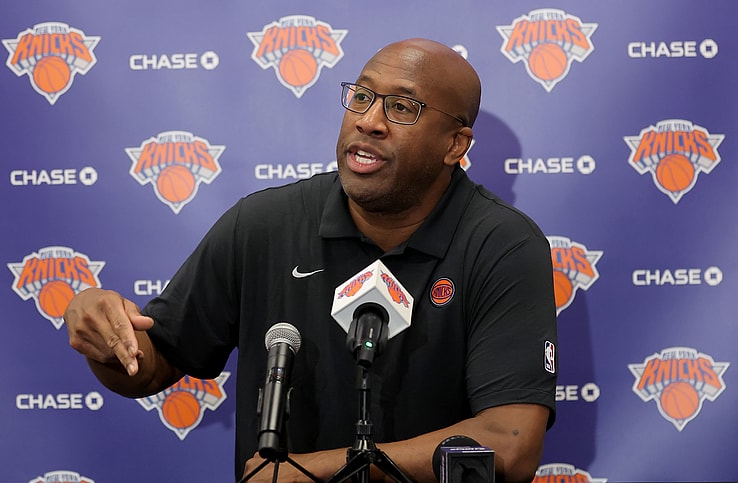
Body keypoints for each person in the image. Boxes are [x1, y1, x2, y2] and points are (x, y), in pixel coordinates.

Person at [64, 38, 557, 482]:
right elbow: (151, 367)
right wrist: (106, 338)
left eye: (402, 107)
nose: (369, 121)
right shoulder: (262, 224)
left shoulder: (502, 245)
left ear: (455, 145)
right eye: (361, 97)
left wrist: (309, 471)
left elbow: (510, 445)